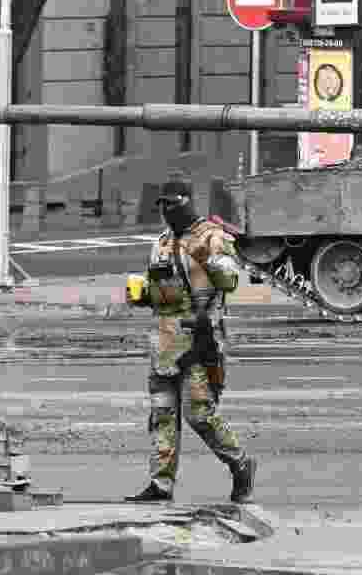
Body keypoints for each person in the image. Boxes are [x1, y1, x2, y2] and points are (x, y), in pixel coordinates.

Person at [126, 178, 257, 503]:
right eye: (162, 204)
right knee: (162, 415)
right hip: (163, 343)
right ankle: (161, 484)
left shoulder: (212, 236)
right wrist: (144, 295)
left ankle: (240, 463)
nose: (167, 210)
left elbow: (229, 281)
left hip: (199, 340)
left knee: (199, 414)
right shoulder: (162, 242)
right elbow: (161, 289)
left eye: (172, 203)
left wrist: (204, 256)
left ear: (187, 202)